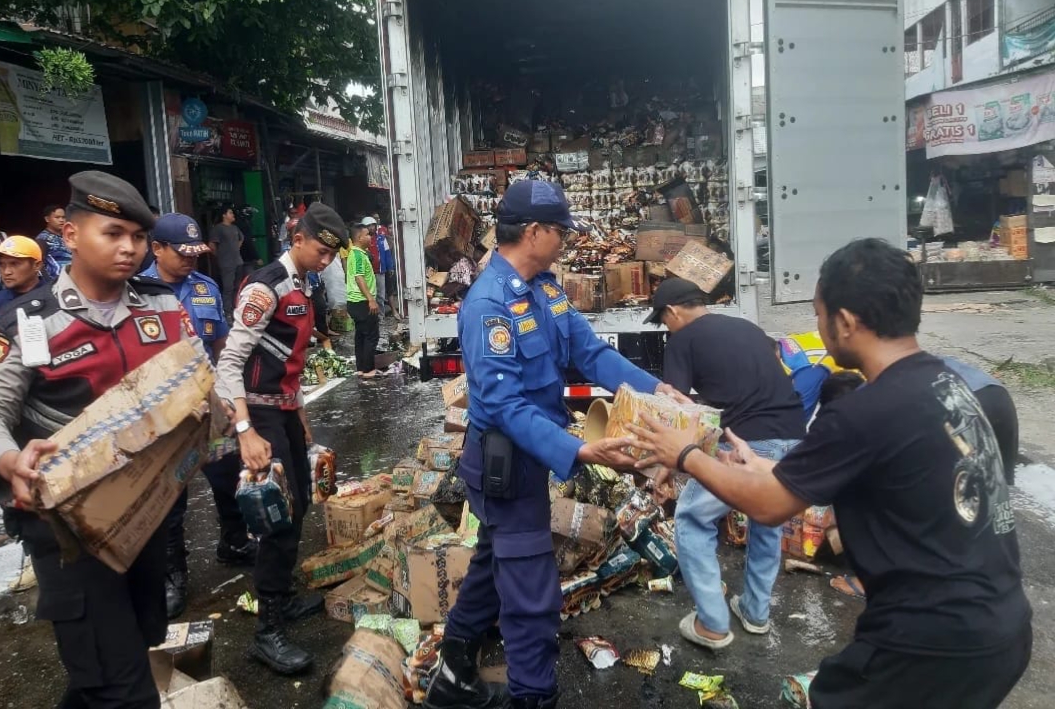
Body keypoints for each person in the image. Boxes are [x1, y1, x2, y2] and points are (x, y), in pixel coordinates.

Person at [627, 238, 1032, 709]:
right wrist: (769, 467)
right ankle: (752, 609)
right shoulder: (947, 386)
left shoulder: (864, 411)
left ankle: (713, 623)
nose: (818, 327)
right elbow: (875, 475)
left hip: (929, 643)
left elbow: (769, 506)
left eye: (819, 315)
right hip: (1002, 627)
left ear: (845, 321)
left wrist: (685, 455)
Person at [424, 180, 677, 709]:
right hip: (505, 467)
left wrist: (656, 391)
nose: (565, 240)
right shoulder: (489, 304)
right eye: (560, 231)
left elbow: (591, 354)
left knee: (494, 564)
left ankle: (451, 677)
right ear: (534, 232)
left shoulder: (546, 291)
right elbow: (502, 406)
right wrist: (578, 450)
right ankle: (534, 697)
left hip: (529, 460)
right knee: (533, 599)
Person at [0, 171, 194, 709]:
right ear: (70, 235)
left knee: (128, 647)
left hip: (144, 514)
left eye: (138, 237)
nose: (129, 248)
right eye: (113, 233)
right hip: (66, 527)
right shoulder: (25, 321)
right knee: (124, 688)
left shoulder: (161, 304)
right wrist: (9, 460)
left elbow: (192, 379)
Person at [215, 202, 347, 675]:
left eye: (331, 255)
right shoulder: (265, 286)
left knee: (301, 502)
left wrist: (302, 417)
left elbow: (290, 361)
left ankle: (283, 596)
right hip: (258, 412)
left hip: (286, 409)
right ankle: (266, 631)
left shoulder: (304, 284)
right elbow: (229, 364)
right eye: (320, 251)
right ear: (298, 239)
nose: (325, 261)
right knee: (275, 514)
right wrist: (245, 431)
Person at [646, 277, 805, 650]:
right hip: (794, 436)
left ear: (673, 312)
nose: (666, 327)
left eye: (663, 320)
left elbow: (677, 411)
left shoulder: (682, 340)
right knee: (767, 519)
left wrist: (665, 469)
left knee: (692, 518)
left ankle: (712, 624)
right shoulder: (747, 328)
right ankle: (755, 612)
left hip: (747, 444)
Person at [140, 213, 256, 619]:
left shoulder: (205, 287)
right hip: (161, 413)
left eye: (195, 253)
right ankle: (173, 574)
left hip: (206, 404)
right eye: (181, 253)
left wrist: (226, 397)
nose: (190, 260)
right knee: (171, 497)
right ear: (157, 249)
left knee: (228, 476)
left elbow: (220, 345)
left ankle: (234, 541)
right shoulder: (135, 292)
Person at [345, 224, 380, 378]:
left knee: (361, 335)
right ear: (359, 238)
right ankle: (368, 370)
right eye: (367, 235)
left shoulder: (357, 253)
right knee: (371, 336)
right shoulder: (357, 255)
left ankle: (361, 368)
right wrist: (370, 299)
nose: (370, 237)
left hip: (355, 302)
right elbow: (359, 278)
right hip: (362, 301)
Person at [0, 236, 45, 321]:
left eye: (14, 264)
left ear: (37, 265)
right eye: (1, 264)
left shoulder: (55, 298)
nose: (6, 272)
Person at [209, 203, 244, 312]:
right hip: (226, 263)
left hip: (238, 261)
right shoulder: (218, 228)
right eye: (230, 213)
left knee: (238, 287)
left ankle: (236, 308)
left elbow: (241, 238)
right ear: (224, 215)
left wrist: (236, 248)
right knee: (228, 288)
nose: (233, 215)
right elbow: (211, 245)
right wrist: (220, 255)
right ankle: (227, 311)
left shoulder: (235, 227)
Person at [36, 204, 71, 280]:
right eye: (57, 217)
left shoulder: (68, 237)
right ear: (47, 219)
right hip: (56, 282)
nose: (61, 220)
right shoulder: (43, 239)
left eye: (63, 217)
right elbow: (38, 266)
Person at [360, 216, 384, 318]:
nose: (371, 228)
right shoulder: (362, 241)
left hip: (380, 270)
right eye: (368, 226)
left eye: (373, 225)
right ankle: (371, 317)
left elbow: (386, 253)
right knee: (369, 294)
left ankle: (381, 316)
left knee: (381, 295)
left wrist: (389, 266)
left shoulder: (381, 238)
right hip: (368, 272)